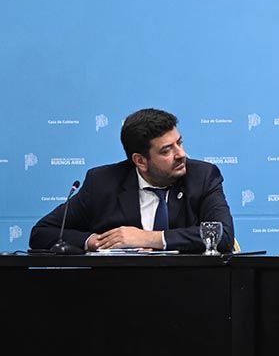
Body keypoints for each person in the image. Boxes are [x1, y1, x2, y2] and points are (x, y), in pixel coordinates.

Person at [29, 108, 235, 253]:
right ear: (140, 161)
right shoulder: (102, 183)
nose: (181, 154)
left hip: (190, 289)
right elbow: (42, 233)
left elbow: (222, 235)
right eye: (166, 150)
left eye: (179, 143)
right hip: (118, 293)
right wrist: (92, 241)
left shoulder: (203, 176)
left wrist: (150, 238)